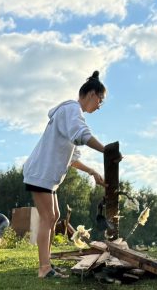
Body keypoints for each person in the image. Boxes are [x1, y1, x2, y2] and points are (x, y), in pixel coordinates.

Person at [22, 71, 109, 278]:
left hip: (47, 176)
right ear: (92, 94)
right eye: (100, 100)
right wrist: (107, 151)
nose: (99, 106)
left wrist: (92, 172)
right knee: (48, 217)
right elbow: (82, 134)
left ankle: (47, 263)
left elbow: (72, 158)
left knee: (55, 217)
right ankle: (44, 268)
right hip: (40, 173)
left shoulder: (70, 114)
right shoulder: (71, 109)